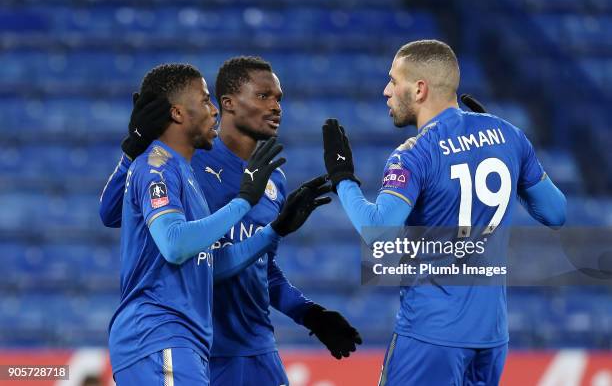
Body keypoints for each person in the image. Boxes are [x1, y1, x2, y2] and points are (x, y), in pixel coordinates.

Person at [101, 57, 361, 386]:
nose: (276, 107)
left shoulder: (271, 179)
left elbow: (260, 267)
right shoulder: (187, 161)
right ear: (229, 104)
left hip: (255, 345)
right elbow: (117, 213)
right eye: (264, 96)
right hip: (198, 346)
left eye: (279, 98)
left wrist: (308, 313)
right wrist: (132, 150)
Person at [320, 40, 567, 385]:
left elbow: (378, 230)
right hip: (491, 339)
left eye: (394, 80)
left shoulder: (414, 153)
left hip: (431, 337)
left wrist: (342, 178)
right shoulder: (509, 135)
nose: (385, 90)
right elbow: (556, 212)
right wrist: (510, 169)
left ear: (419, 89)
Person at [107, 62, 292, 385]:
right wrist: (243, 202)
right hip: (159, 333)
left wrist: (274, 231)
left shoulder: (185, 175)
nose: (214, 110)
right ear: (178, 113)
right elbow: (175, 244)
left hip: (184, 339)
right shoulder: (158, 165)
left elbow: (211, 265)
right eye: (206, 101)